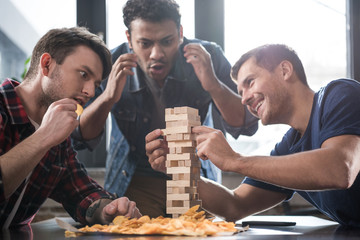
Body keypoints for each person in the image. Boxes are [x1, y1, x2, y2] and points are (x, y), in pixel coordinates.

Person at [72, 0, 258, 218]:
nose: (156, 54)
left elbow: (246, 124)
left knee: (197, 234)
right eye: (145, 43)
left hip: (193, 177)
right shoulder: (111, 61)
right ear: (129, 39)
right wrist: (108, 97)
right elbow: (80, 137)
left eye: (167, 41)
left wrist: (213, 84)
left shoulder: (208, 55)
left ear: (180, 34)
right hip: (136, 178)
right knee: (134, 232)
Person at [188, 44, 360, 228]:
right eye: (240, 92)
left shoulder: (340, 94)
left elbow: (339, 169)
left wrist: (235, 160)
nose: (244, 99)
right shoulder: (288, 147)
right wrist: (178, 168)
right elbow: (235, 204)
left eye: (250, 82)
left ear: (285, 70)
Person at [0, 27, 141, 229]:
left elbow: (82, 193)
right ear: (47, 65)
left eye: (96, 84)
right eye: (83, 74)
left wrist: (110, 210)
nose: (90, 91)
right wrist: (43, 137)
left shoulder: (59, 140)